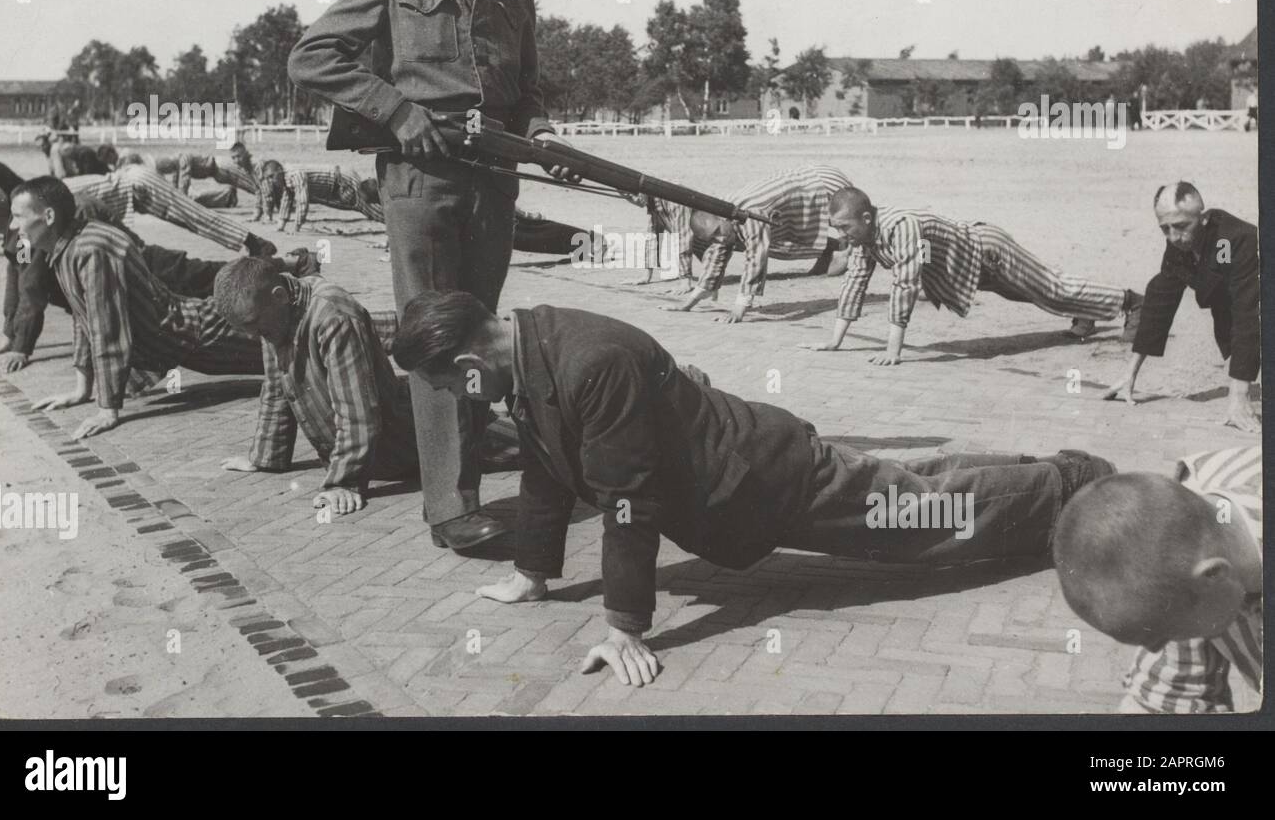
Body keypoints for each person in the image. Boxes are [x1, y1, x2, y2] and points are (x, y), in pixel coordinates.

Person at [391, 290, 1115, 687]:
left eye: (447, 383)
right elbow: (549, 467)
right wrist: (533, 573)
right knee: (916, 490)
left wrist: (624, 626)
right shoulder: (525, 351)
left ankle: (1069, 486)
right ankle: (1051, 471)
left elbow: (626, 502)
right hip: (750, 471)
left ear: (466, 356)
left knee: (926, 521)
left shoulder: (587, 363)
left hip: (768, 479)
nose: (455, 396)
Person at [287, 0, 578, 551]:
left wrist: (541, 132)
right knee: (434, 336)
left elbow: (527, 87)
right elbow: (311, 56)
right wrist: (395, 110)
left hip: (494, 180)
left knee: (480, 332)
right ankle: (449, 507)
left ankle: (467, 479)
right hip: (420, 181)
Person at [9, 177, 292, 441]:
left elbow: (107, 328)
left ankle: (301, 272)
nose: (13, 226)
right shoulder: (67, 248)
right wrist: (81, 390)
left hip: (203, 333)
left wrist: (108, 409)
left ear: (48, 217)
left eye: (19, 216)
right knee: (290, 357)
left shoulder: (90, 248)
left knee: (298, 352)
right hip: (191, 338)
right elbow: (83, 317)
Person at [0, 162, 319, 374]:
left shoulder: (32, 209)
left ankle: (276, 257)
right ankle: (278, 261)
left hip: (135, 185)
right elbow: (16, 278)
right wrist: (9, 334)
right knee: (191, 274)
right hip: (109, 220)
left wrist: (21, 346)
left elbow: (30, 287)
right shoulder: (20, 224)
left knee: (193, 250)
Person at [813, 186, 1142, 364]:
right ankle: (1086, 314)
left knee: (1050, 288)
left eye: (845, 227)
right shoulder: (862, 238)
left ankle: (1131, 301)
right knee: (1028, 293)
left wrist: (893, 351)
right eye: (837, 228)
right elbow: (855, 281)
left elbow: (905, 285)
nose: (842, 235)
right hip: (967, 268)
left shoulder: (901, 226)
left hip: (988, 251)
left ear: (867, 218)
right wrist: (833, 342)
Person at [1053, 446, 1261, 713]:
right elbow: (1170, 698)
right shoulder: (1185, 536)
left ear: (1214, 575)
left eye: (1165, 634)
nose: (1154, 650)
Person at [214, 258, 417, 516]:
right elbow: (278, 390)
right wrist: (266, 458)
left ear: (279, 296)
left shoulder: (332, 314)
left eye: (256, 326)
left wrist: (343, 482)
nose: (255, 336)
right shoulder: (272, 315)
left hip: (400, 449)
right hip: (368, 456)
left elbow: (357, 407)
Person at [1103, 183, 1260, 432]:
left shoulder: (1230, 242)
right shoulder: (1180, 241)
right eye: (1165, 228)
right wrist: (1129, 374)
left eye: (1181, 226)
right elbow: (1161, 296)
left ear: (1204, 218)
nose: (1173, 237)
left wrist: (1240, 396)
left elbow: (1247, 314)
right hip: (1229, 308)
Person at [663, 165, 854, 323]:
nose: (719, 239)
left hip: (821, 183)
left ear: (721, 219)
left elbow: (756, 258)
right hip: (800, 189)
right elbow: (717, 255)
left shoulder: (749, 215)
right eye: (713, 238)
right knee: (790, 237)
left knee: (842, 222)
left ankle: (850, 253)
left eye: (718, 233)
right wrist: (689, 303)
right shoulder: (722, 223)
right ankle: (830, 254)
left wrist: (740, 308)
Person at [65, 163, 277, 257]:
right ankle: (252, 242)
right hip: (133, 187)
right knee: (193, 218)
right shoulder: (41, 196)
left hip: (138, 185)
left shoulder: (43, 198)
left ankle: (254, 242)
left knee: (194, 216)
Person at [257, 161, 385, 232]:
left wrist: (297, 227)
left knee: (367, 205)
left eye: (271, 176)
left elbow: (302, 200)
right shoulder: (285, 179)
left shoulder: (294, 174)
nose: (271, 181)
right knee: (362, 207)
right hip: (335, 188)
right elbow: (287, 198)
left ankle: (393, 224)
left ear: (279, 170)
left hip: (342, 178)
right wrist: (281, 224)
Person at [176, 142, 261, 211]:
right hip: (217, 172)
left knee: (254, 186)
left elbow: (184, 182)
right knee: (252, 185)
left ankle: (269, 200)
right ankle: (229, 196)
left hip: (220, 167)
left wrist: (181, 202)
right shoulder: (178, 165)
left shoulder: (184, 158)